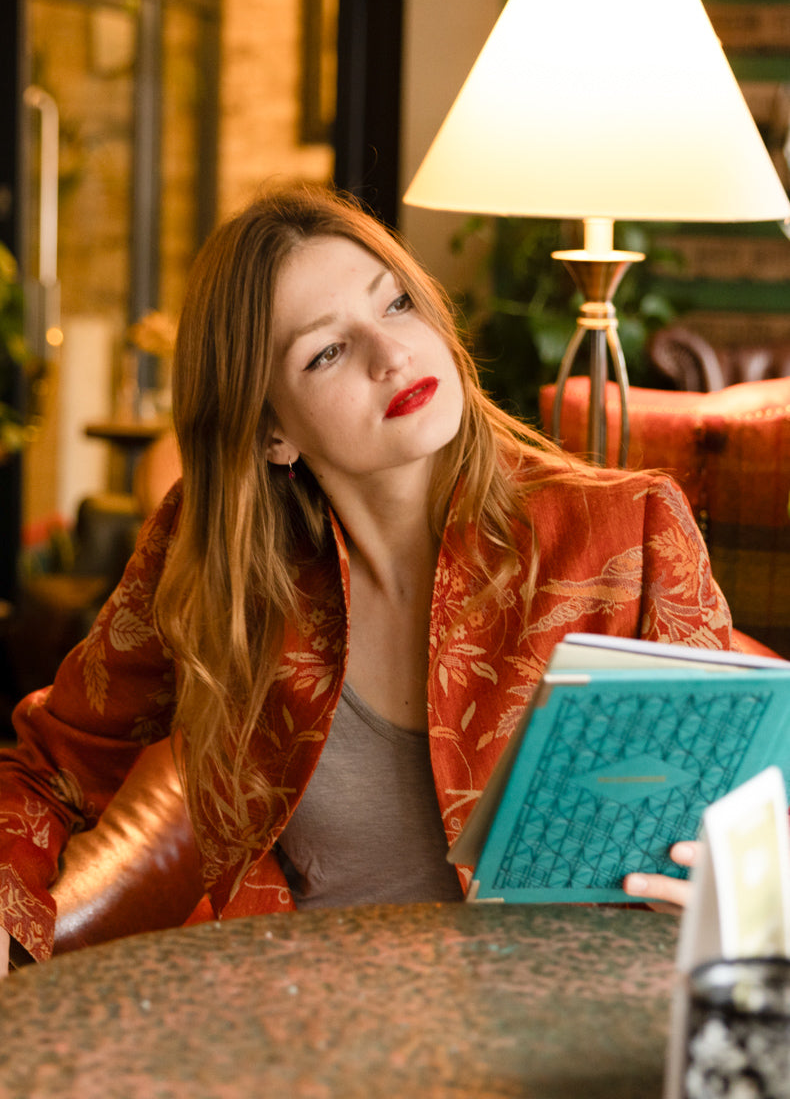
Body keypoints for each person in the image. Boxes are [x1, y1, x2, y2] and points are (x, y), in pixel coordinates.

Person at [0, 183, 731, 966]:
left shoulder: (630, 534)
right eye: (327, 351)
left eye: (396, 306)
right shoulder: (217, 553)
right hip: (303, 1044)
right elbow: (48, 767)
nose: (393, 355)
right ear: (272, 429)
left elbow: (748, 811)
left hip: (565, 1044)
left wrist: (743, 890)